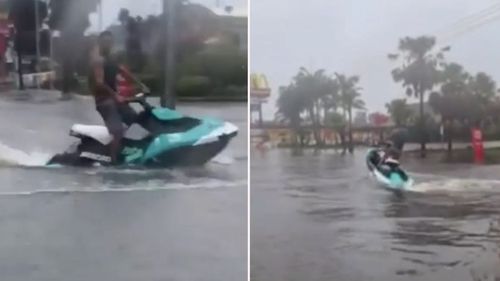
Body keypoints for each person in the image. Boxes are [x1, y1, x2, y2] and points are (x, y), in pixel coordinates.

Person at [88, 31, 149, 164]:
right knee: (117, 131)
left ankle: (132, 149)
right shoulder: (98, 60)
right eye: (105, 42)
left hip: (116, 100)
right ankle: (113, 162)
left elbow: (123, 71)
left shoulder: (112, 58)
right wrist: (116, 95)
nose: (108, 44)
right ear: (100, 43)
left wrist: (140, 84)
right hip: (104, 101)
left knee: (138, 121)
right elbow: (99, 83)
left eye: (110, 42)